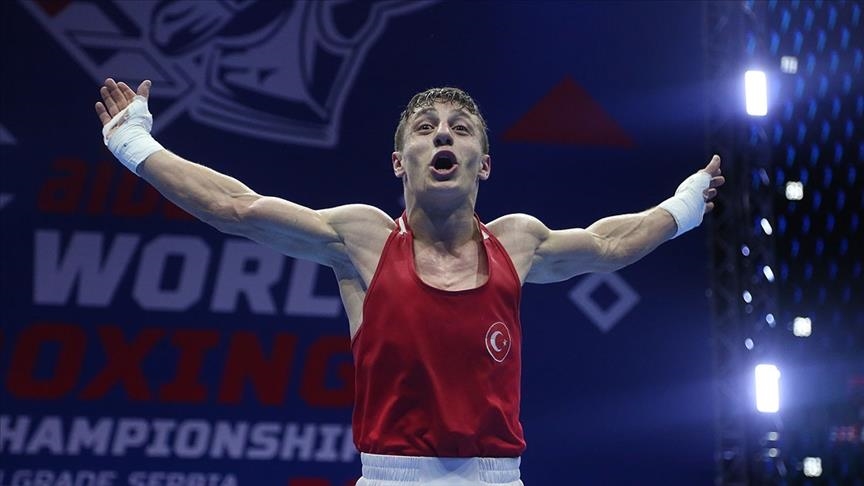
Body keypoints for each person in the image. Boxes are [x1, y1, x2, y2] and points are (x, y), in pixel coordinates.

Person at [95, 78, 724, 485]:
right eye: (425, 128)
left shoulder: (518, 241)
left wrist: (686, 203)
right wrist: (135, 145)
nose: (443, 133)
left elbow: (611, 242)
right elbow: (235, 206)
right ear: (400, 162)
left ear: (483, 164)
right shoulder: (361, 238)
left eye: (460, 128)